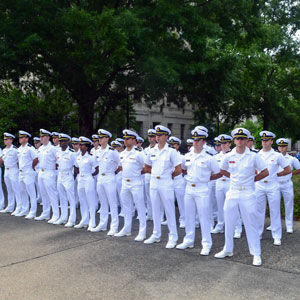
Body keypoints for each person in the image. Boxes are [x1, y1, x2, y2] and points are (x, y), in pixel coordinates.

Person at [214, 128, 269, 266]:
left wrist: (252, 180)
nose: (240, 141)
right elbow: (222, 170)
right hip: (233, 191)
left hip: (247, 192)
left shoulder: (253, 156)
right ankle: (228, 249)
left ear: (246, 140)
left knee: (251, 223)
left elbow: (265, 172)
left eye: (242, 138)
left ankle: (256, 253)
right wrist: (232, 178)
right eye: (237, 139)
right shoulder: (228, 156)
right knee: (229, 221)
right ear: (234, 140)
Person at [176, 129, 221, 255]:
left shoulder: (209, 158)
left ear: (203, 141)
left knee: (204, 217)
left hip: (202, 188)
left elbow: (218, 173)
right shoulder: (187, 156)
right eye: (194, 140)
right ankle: (189, 240)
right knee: (189, 216)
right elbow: (184, 169)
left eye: (198, 140)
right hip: (189, 188)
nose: (195, 142)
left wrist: (206, 179)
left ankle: (206, 243)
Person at [144, 125, 182, 249]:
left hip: (166, 182)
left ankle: (173, 236)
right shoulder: (151, 151)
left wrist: (167, 176)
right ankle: (156, 234)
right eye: (156, 135)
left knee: (169, 210)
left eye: (160, 135)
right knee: (155, 209)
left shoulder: (171, 151)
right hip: (154, 182)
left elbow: (178, 169)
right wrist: (156, 174)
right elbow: (147, 167)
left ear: (166, 137)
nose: (157, 137)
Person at [256, 131, 291, 246]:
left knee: (274, 211)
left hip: (272, 185)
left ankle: (277, 236)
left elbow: (288, 169)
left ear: (271, 141)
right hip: (260, 185)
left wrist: (277, 175)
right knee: (259, 210)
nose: (264, 142)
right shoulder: (257, 154)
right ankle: (258, 233)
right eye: (263, 140)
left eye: (267, 140)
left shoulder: (277, 155)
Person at [115, 129, 147, 241]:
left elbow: (146, 168)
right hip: (125, 182)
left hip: (136, 182)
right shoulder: (122, 154)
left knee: (140, 207)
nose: (125, 140)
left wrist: (137, 174)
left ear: (134, 140)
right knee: (126, 207)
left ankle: (142, 231)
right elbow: (121, 167)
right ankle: (126, 228)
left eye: (128, 139)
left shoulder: (139, 154)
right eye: (124, 138)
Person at [91, 129, 120, 235]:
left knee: (112, 203)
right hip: (100, 178)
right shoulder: (97, 151)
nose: (100, 139)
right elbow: (95, 165)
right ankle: (102, 224)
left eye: (102, 137)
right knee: (103, 203)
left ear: (107, 138)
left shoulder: (112, 151)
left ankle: (114, 227)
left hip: (109, 178)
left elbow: (120, 164)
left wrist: (113, 172)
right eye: (99, 137)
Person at [35, 129, 60, 222]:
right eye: (40, 136)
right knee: (43, 194)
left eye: (43, 136)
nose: (41, 138)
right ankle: (45, 213)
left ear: (48, 137)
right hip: (41, 172)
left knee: (52, 194)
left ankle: (56, 215)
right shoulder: (40, 148)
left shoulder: (52, 149)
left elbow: (58, 161)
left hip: (49, 172)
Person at [276, 138, 300, 233]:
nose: (282, 148)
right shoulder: (274, 157)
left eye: (284, 146)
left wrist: (291, 174)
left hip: (286, 184)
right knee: (275, 205)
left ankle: (289, 225)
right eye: (280, 146)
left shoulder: (291, 159)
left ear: (287, 147)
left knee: (289, 205)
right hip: (276, 183)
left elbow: (298, 169)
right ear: (278, 147)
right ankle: (274, 224)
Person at [74, 137, 98, 230]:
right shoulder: (78, 157)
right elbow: (76, 167)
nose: (80, 146)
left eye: (82, 145)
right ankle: (84, 220)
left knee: (90, 201)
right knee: (82, 201)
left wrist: (91, 175)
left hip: (88, 178)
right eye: (79, 145)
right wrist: (78, 174)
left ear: (87, 147)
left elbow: (97, 169)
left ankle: (92, 222)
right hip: (81, 179)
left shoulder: (91, 157)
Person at [211, 134, 233, 234]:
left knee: (231, 206)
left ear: (229, 144)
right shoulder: (216, 157)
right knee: (220, 206)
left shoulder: (233, 155)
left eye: (225, 143)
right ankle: (220, 225)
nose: (223, 145)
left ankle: (235, 228)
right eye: (222, 143)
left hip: (230, 182)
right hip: (219, 182)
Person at [55, 134, 77, 226]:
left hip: (68, 175)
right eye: (60, 141)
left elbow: (76, 167)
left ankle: (72, 219)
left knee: (71, 199)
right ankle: (63, 217)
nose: (61, 143)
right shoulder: (58, 152)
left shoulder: (71, 153)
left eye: (63, 141)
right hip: (60, 175)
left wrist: (72, 178)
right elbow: (57, 164)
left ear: (67, 142)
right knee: (62, 198)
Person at [17, 130, 38, 217]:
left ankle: (33, 212)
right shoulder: (19, 149)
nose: (20, 139)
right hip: (21, 173)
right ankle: (25, 209)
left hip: (28, 172)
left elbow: (36, 159)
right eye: (19, 137)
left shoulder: (30, 148)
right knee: (22, 191)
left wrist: (32, 167)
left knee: (31, 193)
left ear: (26, 138)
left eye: (22, 137)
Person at [0, 133, 22, 214]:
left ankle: (19, 207)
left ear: (11, 140)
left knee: (16, 189)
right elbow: (3, 160)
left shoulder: (15, 150)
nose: (5, 141)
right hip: (7, 170)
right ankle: (10, 206)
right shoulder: (4, 150)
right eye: (4, 139)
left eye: (7, 139)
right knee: (9, 190)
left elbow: (19, 161)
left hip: (14, 170)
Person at [168, 136, 186, 228]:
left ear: (178, 146)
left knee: (181, 202)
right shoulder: (166, 155)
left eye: (174, 144)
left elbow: (184, 170)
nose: (172, 146)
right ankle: (170, 220)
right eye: (170, 144)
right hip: (168, 181)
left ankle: (183, 220)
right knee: (169, 201)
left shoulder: (182, 157)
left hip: (178, 180)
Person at [144, 129, 157, 221]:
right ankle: (150, 213)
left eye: (152, 136)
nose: (150, 138)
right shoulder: (146, 150)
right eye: (149, 136)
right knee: (148, 196)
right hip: (147, 175)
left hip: (156, 175)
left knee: (156, 197)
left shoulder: (158, 148)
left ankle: (158, 215)